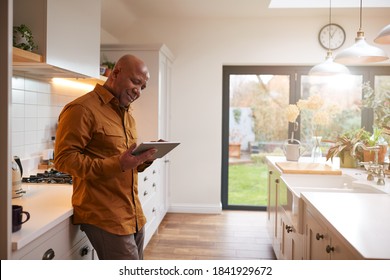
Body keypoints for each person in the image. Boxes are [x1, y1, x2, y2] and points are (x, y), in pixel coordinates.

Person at [54, 54, 157, 260]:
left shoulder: (126, 113)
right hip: (105, 215)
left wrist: (142, 159)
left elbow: (124, 163)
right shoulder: (82, 109)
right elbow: (64, 159)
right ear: (115, 73)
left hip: (132, 212)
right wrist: (119, 163)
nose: (138, 91)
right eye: (135, 82)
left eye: (142, 87)